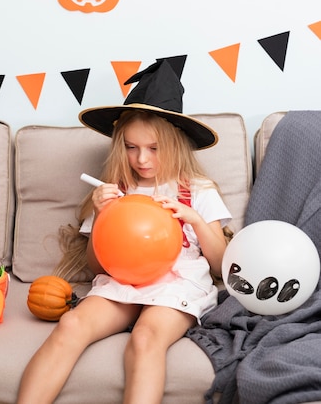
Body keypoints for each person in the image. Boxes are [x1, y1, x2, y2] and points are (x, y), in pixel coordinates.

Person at [17, 60, 232, 404]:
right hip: (122, 280)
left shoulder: (198, 189)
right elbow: (98, 268)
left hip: (176, 283)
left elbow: (221, 265)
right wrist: (102, 216)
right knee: (71, 325)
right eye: (131, 147)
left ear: (176, 143)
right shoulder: (114, 191)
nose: (141, 159)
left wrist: (193, 219)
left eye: (153, 149)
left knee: (146, 338)